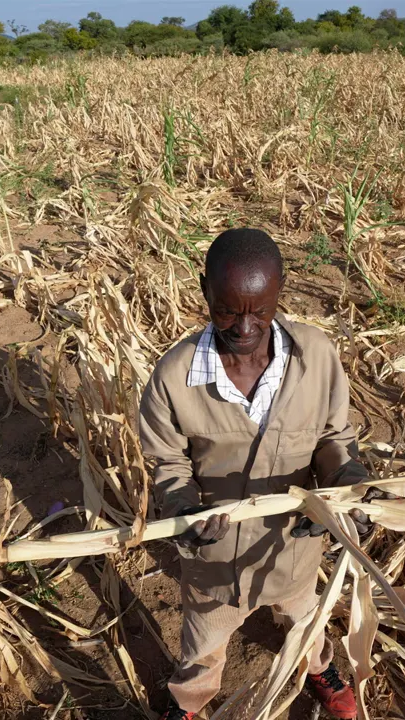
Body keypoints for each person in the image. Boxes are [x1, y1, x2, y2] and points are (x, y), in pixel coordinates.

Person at [138, 228, 373, 720]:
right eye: (227, 310)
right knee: (203, 643)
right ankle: (190, 702)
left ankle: (319, 667)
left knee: (305, 619)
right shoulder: (173, 378)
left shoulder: (316, 358)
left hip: (293, 551)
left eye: (260, 311)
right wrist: (184, 509)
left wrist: (347, 487)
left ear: (280, 292)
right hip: (215, 561)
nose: (245, 327)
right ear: (204, 290)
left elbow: (334, 441)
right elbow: (170, 464)